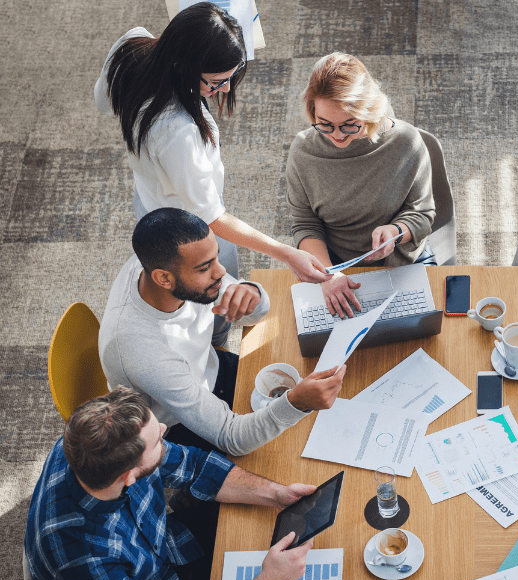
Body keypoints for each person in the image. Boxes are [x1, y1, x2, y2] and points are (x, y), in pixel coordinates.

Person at [95, 2, 330, 345]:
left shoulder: (134, 44)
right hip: (189, 224)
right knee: (212, 292)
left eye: (231, 76)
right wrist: (288, 253)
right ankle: (215, 345)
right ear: (183, 64)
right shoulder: (179, 133)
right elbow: (212, 217)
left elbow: (102, 100)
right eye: (216, 81)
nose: (224, 88)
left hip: (148, 195)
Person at [25, 388, 319, 580]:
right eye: (157, 441)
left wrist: (275, 494)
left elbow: (194, 466)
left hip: (165, 545)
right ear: (128, 476)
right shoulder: (86, 560)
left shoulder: (90, 445)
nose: (165, 428)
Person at [99, 208, 345, 456]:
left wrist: (253, 293)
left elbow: (254, 314)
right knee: (291, 452)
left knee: (316, 401)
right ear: (163, 278)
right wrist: (296, 403)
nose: (220, 272)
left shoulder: (164, 267)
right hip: (175, 423)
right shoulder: (141, 349)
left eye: (216, 257)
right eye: (205, 267)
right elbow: (232, 437)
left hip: (210, 369)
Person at [286, 52, 436, 318]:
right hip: (333, 264)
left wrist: (396, 232)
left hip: (402, 259)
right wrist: (328, 274)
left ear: (368, 112)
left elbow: (422, 214)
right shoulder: (303, 153)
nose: (337, 136)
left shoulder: (406, 143)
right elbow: (305, 224)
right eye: (325, 125)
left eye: (349, 125)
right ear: (312, 112)